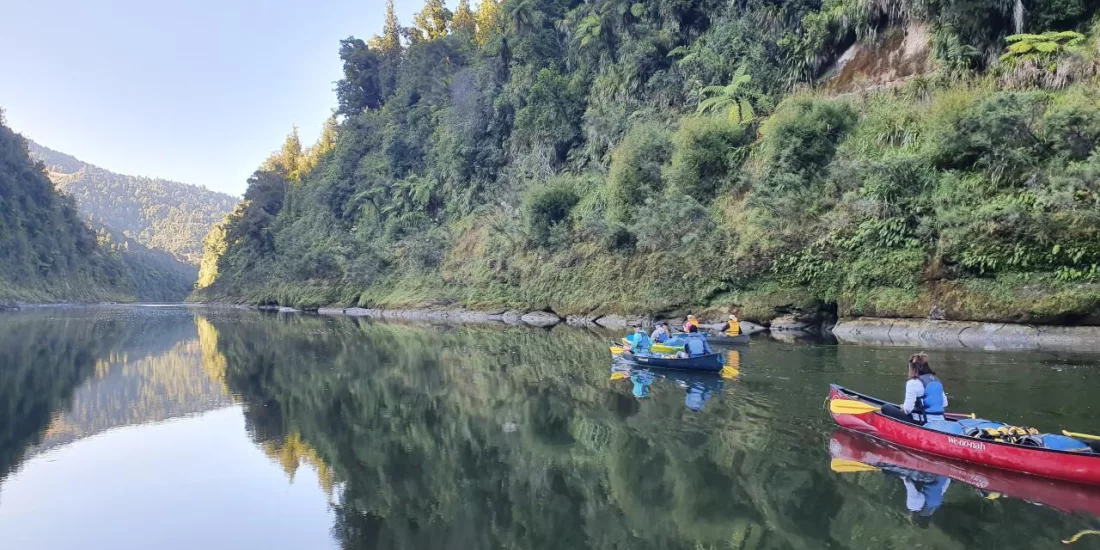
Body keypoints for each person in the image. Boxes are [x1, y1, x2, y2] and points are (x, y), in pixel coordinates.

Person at [898, 353, 948, 424]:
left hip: (922, 421)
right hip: (941, 419)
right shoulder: (937, 381)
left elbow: (908, 409)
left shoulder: (912, 382)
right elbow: (944, 404)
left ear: (912, 368)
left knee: (886, 408)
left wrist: (903, 408)